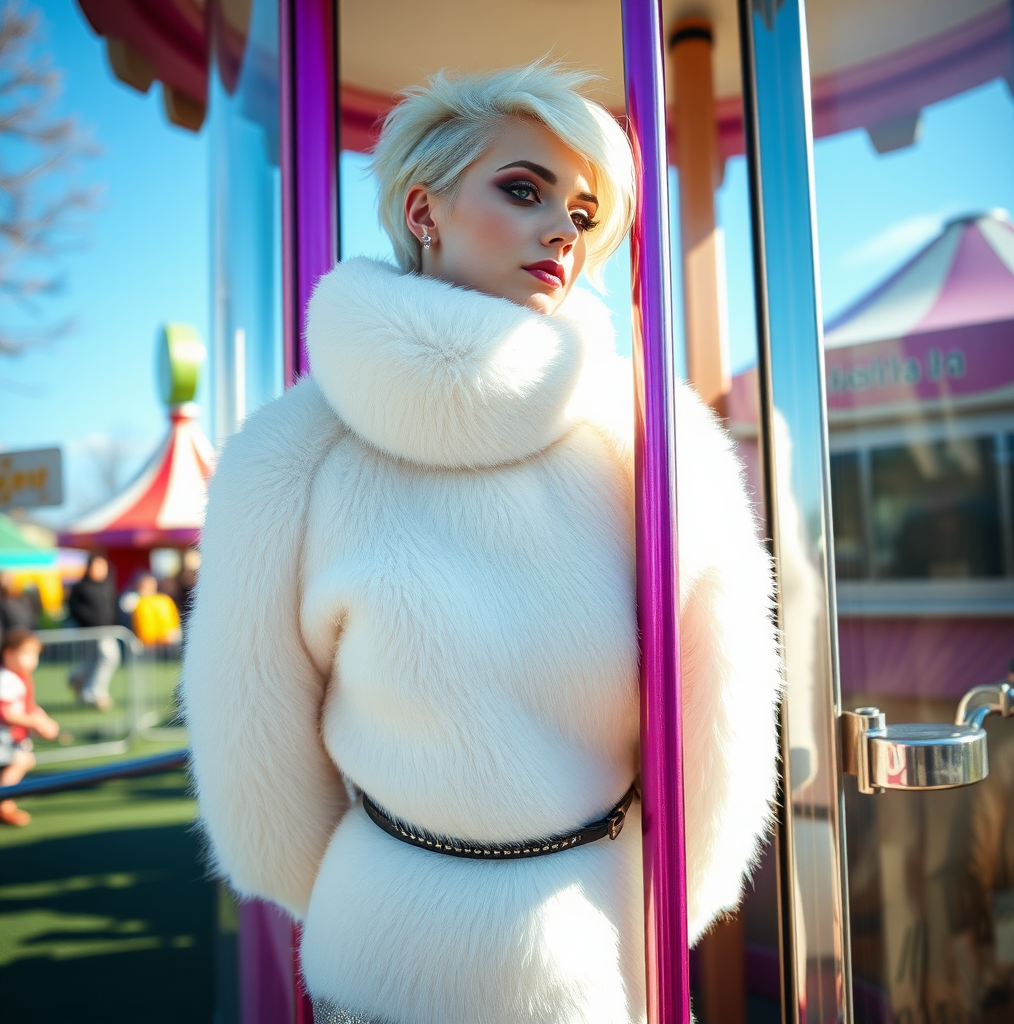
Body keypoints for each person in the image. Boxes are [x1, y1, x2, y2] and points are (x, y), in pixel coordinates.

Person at [182, 63, 782, 1024]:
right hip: (380, 971)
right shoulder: (287, 459)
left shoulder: (652, 443)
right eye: (523, 188)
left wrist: (643, 907)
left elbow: (722, 735)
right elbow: (255, 767)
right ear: (424, 209)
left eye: (583, 214)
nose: (562, 231)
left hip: (597, 962)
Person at [0, 628, 59, 827]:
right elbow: (6, 713)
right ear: (8, 653)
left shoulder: (20, 678)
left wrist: (42, 719)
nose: (32, 659)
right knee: (22, 760)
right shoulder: (6, 679)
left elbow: (29, 707)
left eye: (35, 654)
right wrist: (35, 722)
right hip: (4, 737)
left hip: (11, 737)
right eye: (26, 653)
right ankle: (5, 804)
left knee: (24, 760)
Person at [67, 553, 120, 710]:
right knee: (107, 658)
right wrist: (92, 622)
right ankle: (93, 693)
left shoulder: (107, 585)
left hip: (107, 630)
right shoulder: (80, 587)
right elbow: (75, 610)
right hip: (90, 631)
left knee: (98, 661)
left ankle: (78, 679)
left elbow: (111, 607)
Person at [131, 572, 181, 647]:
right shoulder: (135, 600)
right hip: (145, 644)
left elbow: (173, 620)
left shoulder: (164, 600)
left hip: (167, 642)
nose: (148, 586)